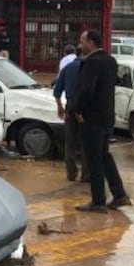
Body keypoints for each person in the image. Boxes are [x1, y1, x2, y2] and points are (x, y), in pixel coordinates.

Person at [74, 29, 131, 213]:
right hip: (107, 116)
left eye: (82, 42)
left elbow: (86, 90)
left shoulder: (91, 63)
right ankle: (119, 194)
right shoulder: (110, 61)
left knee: (94, 159)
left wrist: (76, 109)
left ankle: (98, 200)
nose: (79, 45)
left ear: (91, 43)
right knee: (104, 155)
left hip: (91, 117)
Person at [53, 54, 88, 182]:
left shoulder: (67, 68)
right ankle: (86, 174)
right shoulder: (88, 68)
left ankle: (71, 173)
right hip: (85, 109)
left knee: (70, 143)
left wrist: (60, 108)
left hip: (70, 107)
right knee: (86, 142)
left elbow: (57, 91)